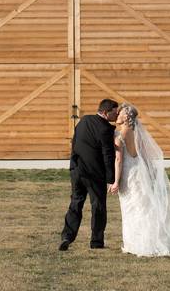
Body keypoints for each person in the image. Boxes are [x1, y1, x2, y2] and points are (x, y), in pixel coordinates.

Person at [113, 103, 170, 257]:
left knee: (131, 207)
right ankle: (149, 241)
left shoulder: (119, 136)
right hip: (140, 173)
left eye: (120, 113)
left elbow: (118, 161)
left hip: (128, 175)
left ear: (126, 117)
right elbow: (143, 155)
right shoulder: (137, 132)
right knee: (144, 206)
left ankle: (137, 244)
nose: (117, 115)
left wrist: (116, 181)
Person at [59, 98, 118, 251]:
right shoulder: (105, 129)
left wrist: (73, 164)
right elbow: (108, 155)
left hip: (77, 170)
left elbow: (75, 141)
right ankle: (96, 242)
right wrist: (111, 179)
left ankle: (67, 236)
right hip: (94, 174)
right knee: (98, 206)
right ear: (105, 113)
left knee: (75, 203)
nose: (117, 116)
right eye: (114, 113)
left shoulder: (84, 120)